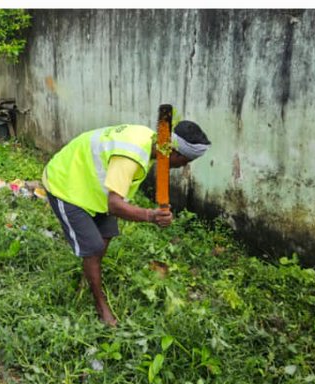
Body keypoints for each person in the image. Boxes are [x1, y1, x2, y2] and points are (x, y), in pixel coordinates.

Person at [43, 119, 211, 325]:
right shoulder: (131, 155)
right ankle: (100, 305)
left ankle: (89, 276)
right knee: (94, 248)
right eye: (185, 161)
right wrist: (151, 216)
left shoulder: (149, 140)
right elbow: (115, 205)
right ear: (173, 152)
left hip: (92, 187)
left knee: (106, 235)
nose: (183, 166)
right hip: (66, 184)